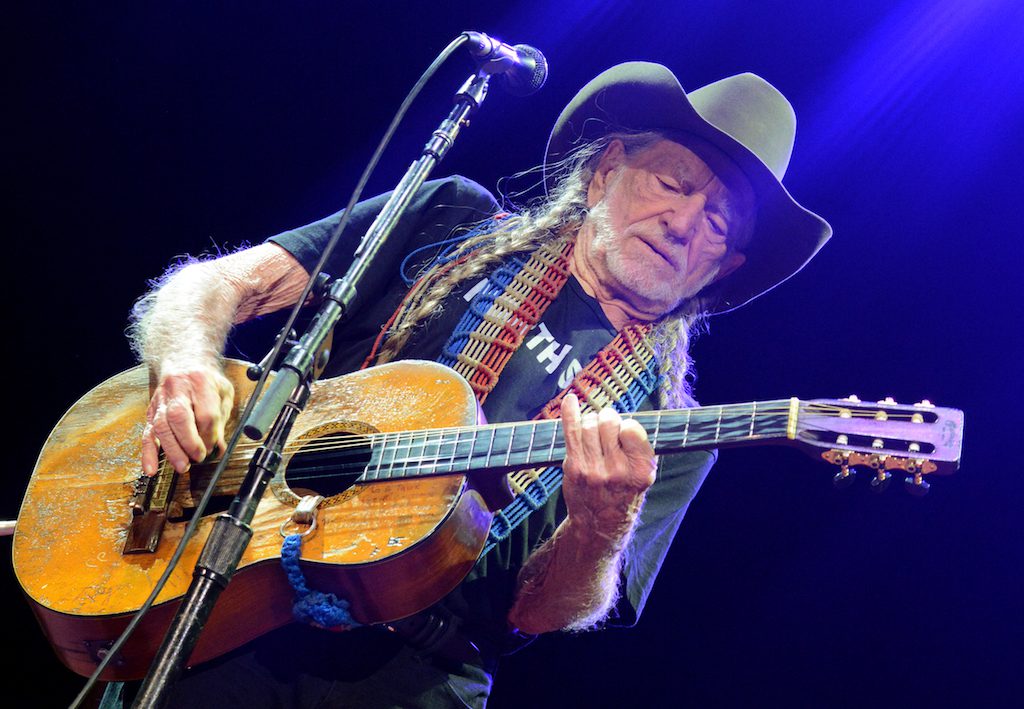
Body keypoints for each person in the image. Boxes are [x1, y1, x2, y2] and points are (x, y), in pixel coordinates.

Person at [107, 62, 831, 708]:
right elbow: (216, 283)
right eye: (673, 184)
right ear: (607, 170)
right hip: (234, 574)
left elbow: (539, 611)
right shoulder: (451, 218)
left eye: (716, 222)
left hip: (416, 669)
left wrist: (600, 526)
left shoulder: (669, 435)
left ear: (725, 267)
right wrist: (186, 368)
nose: (682, 223)